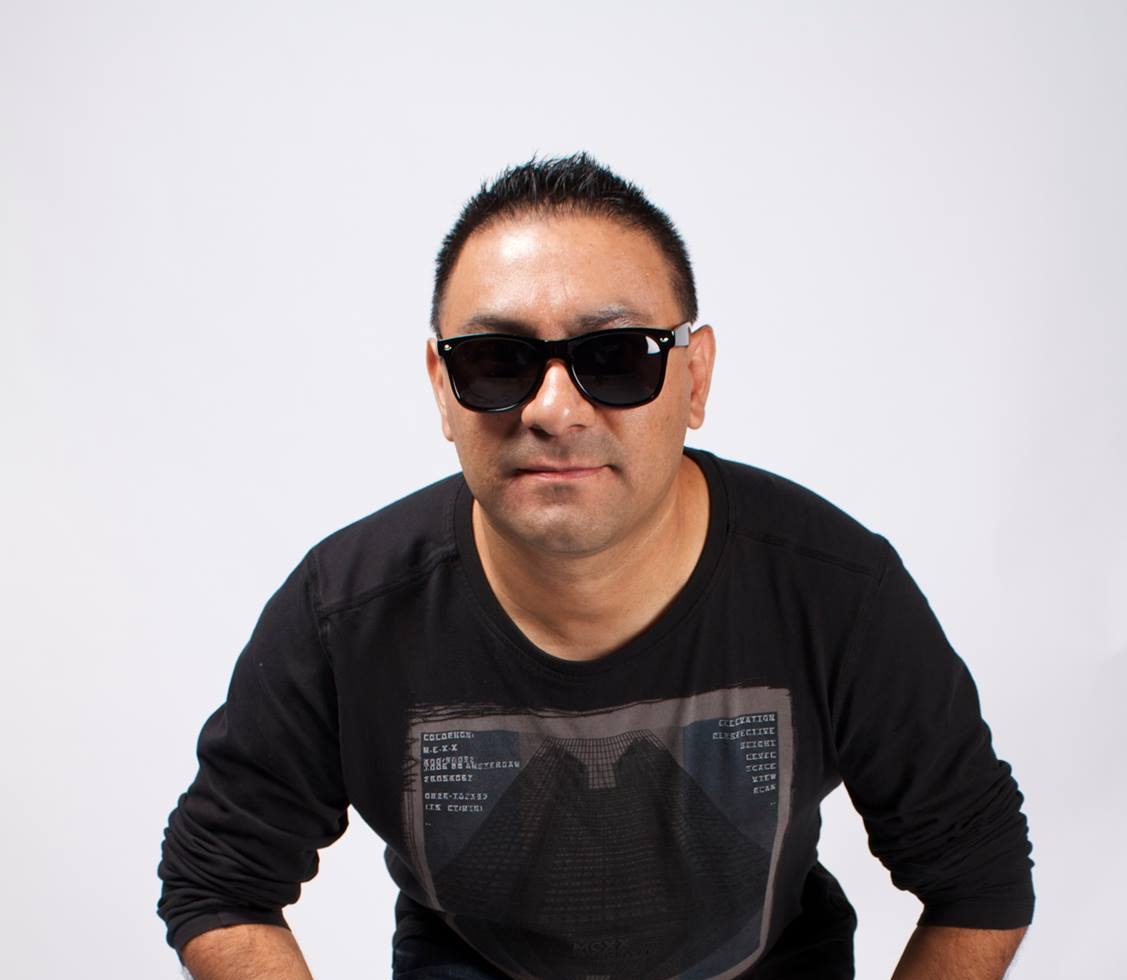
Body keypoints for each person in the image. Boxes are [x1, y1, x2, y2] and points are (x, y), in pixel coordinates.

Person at [157, 153, 1035, 980]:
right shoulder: (346, 613)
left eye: (615, 358)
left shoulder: (833, 591)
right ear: (441, 387)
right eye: (496, 361)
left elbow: (980, 880)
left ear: (695, 379)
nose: (553, 409)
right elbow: (218, 881)